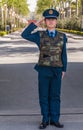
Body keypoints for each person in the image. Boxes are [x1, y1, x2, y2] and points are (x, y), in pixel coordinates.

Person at [21, 8, 67, 129]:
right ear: (45, 21)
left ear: (56, 21)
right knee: (44, 95)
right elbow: (24, 35)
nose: (51, 21)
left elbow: (64, 54)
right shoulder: (39, 35)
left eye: (53, 19)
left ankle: (55, 119)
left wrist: (64, 69)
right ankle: (45, 119)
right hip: (44, 70)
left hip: (57, 70)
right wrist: (36, 23)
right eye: (48, 19)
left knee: (55, 96)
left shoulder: (63, 36)